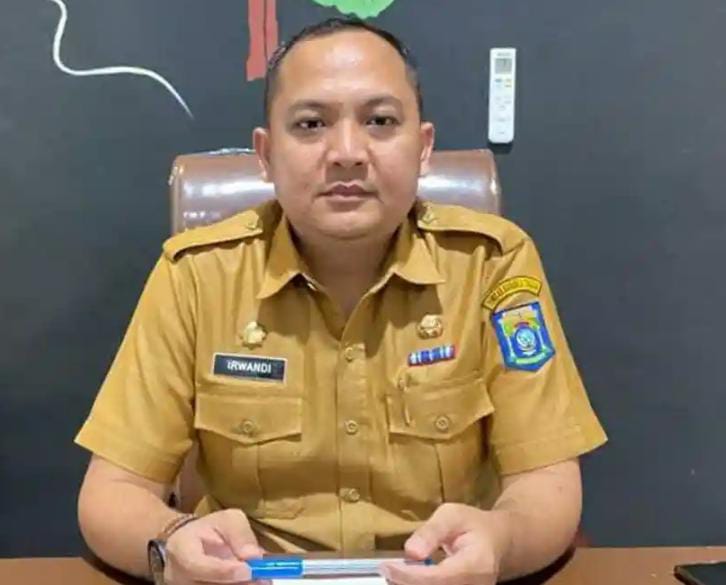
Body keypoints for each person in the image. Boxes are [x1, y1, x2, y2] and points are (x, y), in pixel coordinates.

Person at [75, 17, 607, 585]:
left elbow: (546, 483)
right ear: (266, 154)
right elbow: (112, 492)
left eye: (380, 121)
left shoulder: (490, 264)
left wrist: (500, 543)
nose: (348, 152)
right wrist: (172, 542)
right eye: (311, 124)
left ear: (423, 147)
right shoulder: (197, 276)